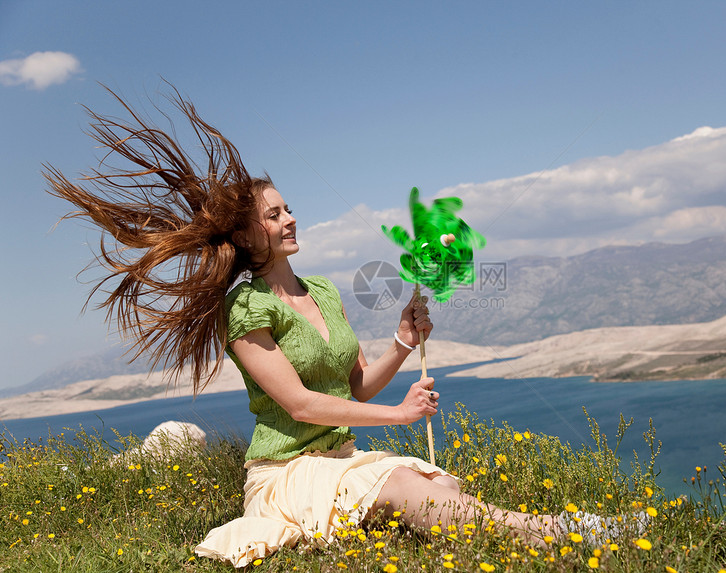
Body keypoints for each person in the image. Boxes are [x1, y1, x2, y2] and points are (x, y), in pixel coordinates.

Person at [46, 86, 638, 568]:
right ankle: (570, 532)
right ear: (248, 237)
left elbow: (354, 388)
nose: (290, 218)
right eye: (274, 214)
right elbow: (302, 406)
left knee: (444, 493)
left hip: (341, 460)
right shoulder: (247, 310)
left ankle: (529, 535)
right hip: (286, 473)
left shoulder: (323, 292)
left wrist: (403, 344)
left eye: (289, 207)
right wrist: (403, 417)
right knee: (413, 493)